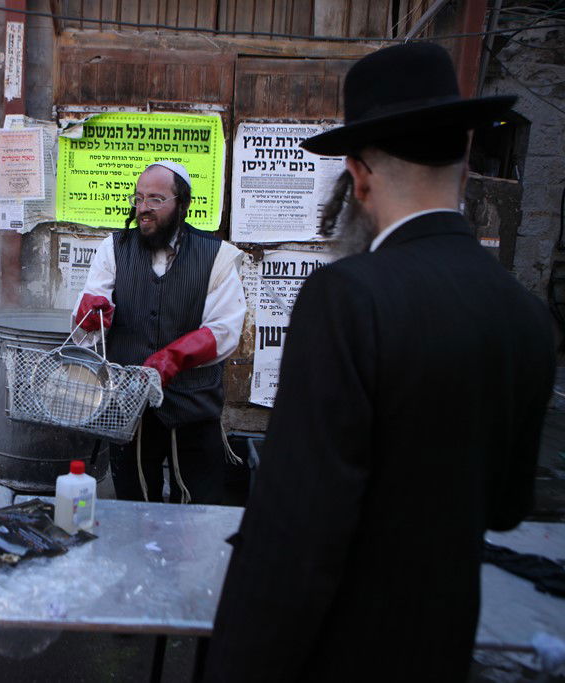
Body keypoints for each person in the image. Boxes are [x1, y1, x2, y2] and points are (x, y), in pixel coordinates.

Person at [204, 42, 555, 682]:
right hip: (442, 648)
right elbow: (504, 508)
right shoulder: (527, 316)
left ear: (358, 175)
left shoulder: (349, 298)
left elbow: (293, 539)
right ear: (467, 160)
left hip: (339, 653)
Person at [72, 160, 247, 505]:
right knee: (135, 503)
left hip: (193, 406)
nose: (144, 209)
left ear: (182, 204)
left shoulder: (218, 257)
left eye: (155, 199)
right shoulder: (113, 248)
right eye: (139, 199)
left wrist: (170, 359)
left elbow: (224, 330)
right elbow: (89, 308)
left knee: (200, 506)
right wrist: (92, 313)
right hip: (128, 407)